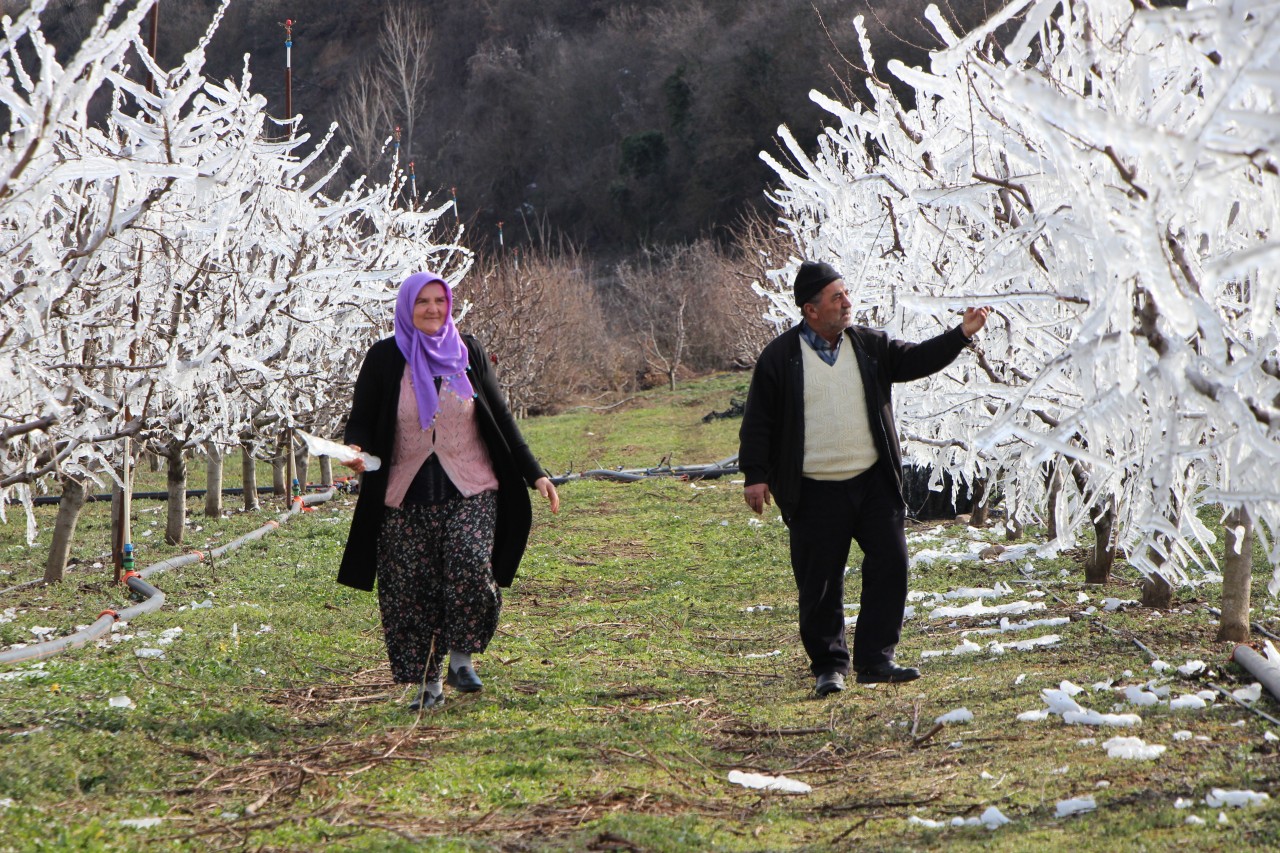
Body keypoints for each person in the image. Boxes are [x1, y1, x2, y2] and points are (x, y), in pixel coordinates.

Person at [738, 261, 989, 697]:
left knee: (891, 565)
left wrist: (960, 334)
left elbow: (917, 360)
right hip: (814, 489)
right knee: (819, 582)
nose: (847, 302)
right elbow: (759, 419)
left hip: (873, 482)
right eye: (837, 297)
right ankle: (829, 666)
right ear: (811, 309)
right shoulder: (781, 357)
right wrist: (755, 476)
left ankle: (876, 659)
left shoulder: (870, 346)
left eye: (846, 293)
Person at [337, 271, 560, 710]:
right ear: (406, 307)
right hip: (403, 495)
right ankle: (429, 688)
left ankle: (461, 659)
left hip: (471, 487)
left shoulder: (467, 351)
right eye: (423, 302)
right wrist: (353, 448)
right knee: (410, 592)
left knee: (471, 567)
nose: (433, 309)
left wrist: (536, 473)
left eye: (440, 300)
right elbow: (361, 418)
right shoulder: (384, 357)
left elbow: (500, 416)